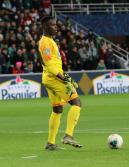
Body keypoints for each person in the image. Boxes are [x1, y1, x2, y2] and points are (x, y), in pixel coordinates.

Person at [38, 16, 82, 151]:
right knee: (76, 103)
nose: (56, 27)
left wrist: (64, 75)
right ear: (45, 27)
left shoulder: (48, 41)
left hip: (49, 78)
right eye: (52, 25)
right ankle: (68, 135)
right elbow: (50, 66)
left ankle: (50, 143)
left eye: (55, 25)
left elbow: (49, 64)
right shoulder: (45, 42)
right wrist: (64, 79)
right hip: (53, 78)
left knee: (57, 109)